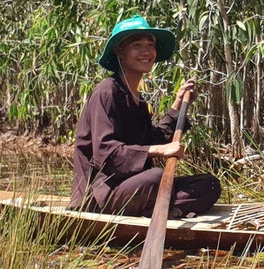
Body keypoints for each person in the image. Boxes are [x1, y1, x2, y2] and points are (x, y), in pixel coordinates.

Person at [71, 16, 221, 218]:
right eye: (137, 45)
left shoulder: (136, 98)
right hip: (101, 194)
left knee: (209, 184)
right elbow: (105, 153)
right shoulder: (106, 92)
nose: (146, 52)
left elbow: (150, 140)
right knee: (155, 177)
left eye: (150, 45)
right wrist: (159, 150)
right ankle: (166, 210)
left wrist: (177, 106)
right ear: (119, 52)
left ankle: (165, 210)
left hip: (134, 187)